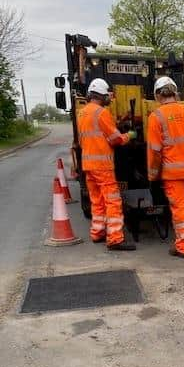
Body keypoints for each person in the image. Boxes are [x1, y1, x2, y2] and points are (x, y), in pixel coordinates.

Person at [147, 76, 184, 258]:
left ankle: (182, 246)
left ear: (158, 95)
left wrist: (153, 175)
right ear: (175, 92)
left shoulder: (156, 117)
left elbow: (155, 151)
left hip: (173, 173)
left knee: (179, 208)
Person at [77, 78, 137, 250]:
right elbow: (115, 139)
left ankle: (98, 232)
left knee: (97, 200)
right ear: (102, 96)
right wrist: (129, 136)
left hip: (88, 164)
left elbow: (96, 134)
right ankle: (115, 239)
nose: (109, 98)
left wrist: (117, 124)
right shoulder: (101, 113)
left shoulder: (82, 112)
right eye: (108, 95)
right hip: (102, 166)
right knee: (112, 201)